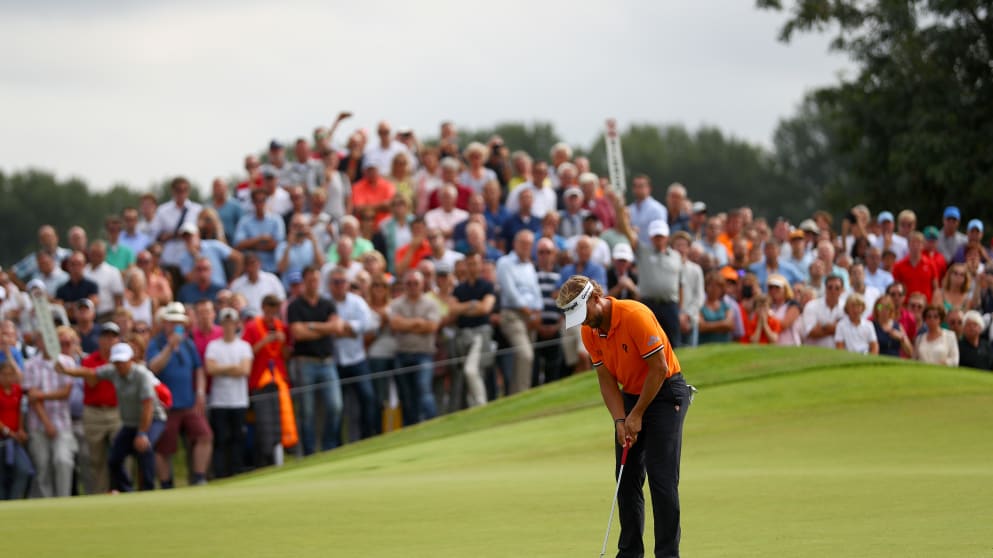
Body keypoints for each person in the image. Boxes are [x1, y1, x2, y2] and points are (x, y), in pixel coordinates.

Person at [556, 275, 689, 558]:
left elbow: (658, 368)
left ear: (595, 299)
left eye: (583, 313)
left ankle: (667, 554)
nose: (582, 321)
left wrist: (637, 414)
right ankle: (629, 553)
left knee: (661, 477)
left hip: (665, 393)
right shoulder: (589, 331)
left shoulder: (634, 315)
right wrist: (620, 419)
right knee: (626, 477)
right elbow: (606, 379)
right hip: (630, 396)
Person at [57, 342, 167, 492]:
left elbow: (147, 407)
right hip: (130, 423)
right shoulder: (113, 371)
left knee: (144, 448)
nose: (119, 365)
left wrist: (142, 433)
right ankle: (127, 490)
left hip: (153, 419)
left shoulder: (141, 375)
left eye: (122, 362)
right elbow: (90, 373)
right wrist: (66, 371)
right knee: (114, 459)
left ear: (130, 360)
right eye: (116, 362)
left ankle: (148, 489)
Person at [147, 302, 213, 487]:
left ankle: (199, 477)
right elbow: (153, 367)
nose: (176, 325)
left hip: (188, 403)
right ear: (165, 322)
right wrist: (169, 348)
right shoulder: (156, 343)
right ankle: (167, 483)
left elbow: (198, 369)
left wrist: (200, 393)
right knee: (164, 448)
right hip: (166, 407)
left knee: (204, 435)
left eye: (179, 322)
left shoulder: (188, 344)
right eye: (172, 321)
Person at [287, 267, 345, 454]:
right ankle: (310, 451)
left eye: (316, 280)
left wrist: (311, 326)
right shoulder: (295, 306)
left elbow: (336, 327)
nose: (314, 283)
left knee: (335, 406)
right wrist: (324, 328)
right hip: (305, 363)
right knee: (307, 411)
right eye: (310, 280)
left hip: (326, 361)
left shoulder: (327, 303)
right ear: (304, 282)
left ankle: (328, 446)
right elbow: (297, 333)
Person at [22, 327, 77, 498]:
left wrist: (42, 395)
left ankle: (64, 500)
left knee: (63, 461)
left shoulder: (67, 362)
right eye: (43, 339)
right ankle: (46, 503)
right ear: (38, 342)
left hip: (62, 423)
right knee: (42, 465)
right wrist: (47, 423)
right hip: (38, 424)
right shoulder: (30, 365)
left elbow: (65, 392)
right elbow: (32, 397)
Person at [326, 267, 377, 441]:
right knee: (336, 406)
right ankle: (337, 444)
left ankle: (367, 438)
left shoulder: (357, 302)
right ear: (330, 285)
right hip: (335, 361)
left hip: (357, 359)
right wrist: (349, 329)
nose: (339, 285)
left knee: (368, 398)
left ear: (347, 284)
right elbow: (327, 329)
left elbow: (367, 325)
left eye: (342, 281)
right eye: (335, 282)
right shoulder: (325, 303)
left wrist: (344, 326)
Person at [204, 308, 252, 478]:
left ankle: (237, 472)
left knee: (237, 439)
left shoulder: (244, 346)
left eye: (232, 322)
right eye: (226, 322)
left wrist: (222, 369)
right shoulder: (214, 346)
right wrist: (233, 367)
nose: (229, 326)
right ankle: (221, 474)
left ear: (237, 324)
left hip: (238, 401)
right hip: (220, 401)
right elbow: (210, 368)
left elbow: (244, 369)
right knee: (221, 439)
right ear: (222, 324)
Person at [389, 270, 441, 425]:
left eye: (415, 283)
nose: (412, 287)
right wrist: (418, 322)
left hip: (424, 354)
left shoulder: (431, 303)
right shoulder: (396, 303)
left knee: (423, 390)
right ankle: (410, 429)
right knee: (406, 396)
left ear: (422, 284)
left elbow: (431, 326)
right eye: (408, 283)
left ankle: (433, 425)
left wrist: (406, 324)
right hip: (402, 353)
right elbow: (395, 324)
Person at [495, 230, 543, 395]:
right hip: (512, 315)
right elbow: (510, 293)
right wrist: (530, 313)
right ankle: (522, 396)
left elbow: (536, 291)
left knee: (524, 360)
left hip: (530, 315)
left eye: (529, 244)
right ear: (515, 244)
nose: (526, 247)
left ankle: (516, 395)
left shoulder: (529, 265)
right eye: (522, 243)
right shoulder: (504, 262)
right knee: (525, 355)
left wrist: (537, 312)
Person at [449, 252, 496, 407]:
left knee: (472, 370)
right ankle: (475, 409)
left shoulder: (487, 286)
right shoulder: (459, 289)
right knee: (471, 374)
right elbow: (452, 309)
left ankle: (482, 406)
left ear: (480, 264)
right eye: (469, 264)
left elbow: (485, 308)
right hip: (463, 336)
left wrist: (463, 308)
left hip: (481, 334)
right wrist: (473, 304)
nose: (472, 267)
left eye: (475, 264)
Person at [153, 177, 203, 269]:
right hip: (168, 259)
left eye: (185, 190)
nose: (182, 193)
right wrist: (178, 235)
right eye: (179, 190)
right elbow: (156, 235)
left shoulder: (197, 210)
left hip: (190, 259)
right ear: (173, 191)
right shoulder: (162, 211)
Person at [234, 188, 286, 274]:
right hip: (250, 271)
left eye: (262, 200)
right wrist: (261, 238)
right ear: (253, 203)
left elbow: (277, 244)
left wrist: (251, 246)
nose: (260, 204)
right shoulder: (244, 221)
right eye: (257, 201)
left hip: (272, 269)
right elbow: (238, 244)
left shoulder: (276, 219)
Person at [0, 360, 32, 500]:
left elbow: (20, 410)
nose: (7, 378)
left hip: (14, 440)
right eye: (4, 374)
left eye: (10, 374)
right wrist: (8, 432)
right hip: (3, 439)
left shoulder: (17, 390)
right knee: (1, 476)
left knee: (24, 470)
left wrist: (20, 430)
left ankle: (14, 500)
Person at [802, 274, 847, 348]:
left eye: (837, 288)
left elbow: (847, 332)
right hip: (815, 352)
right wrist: (837, 327)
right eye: (830, 287)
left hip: (838, 354)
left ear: (842, 290)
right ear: (825, 288)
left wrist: (823, 327)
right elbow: (812, 332)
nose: (833, 290)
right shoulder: (812, 305)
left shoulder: (846, 307)